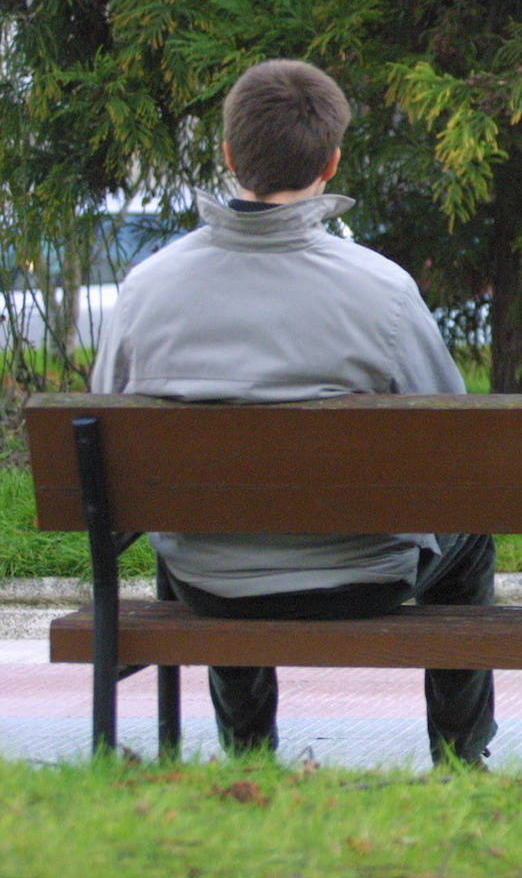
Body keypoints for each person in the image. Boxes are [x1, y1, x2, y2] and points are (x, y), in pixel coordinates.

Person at [90, 59, 495, 767]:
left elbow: (103, 433)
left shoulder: (147, 290)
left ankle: (248, 754)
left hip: (210, 583)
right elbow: (452, 447)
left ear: (228, 154)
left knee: (197, 531)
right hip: (363, 576)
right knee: (473, 536)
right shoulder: (383, 292)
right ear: (332, 161)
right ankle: (461, 758)